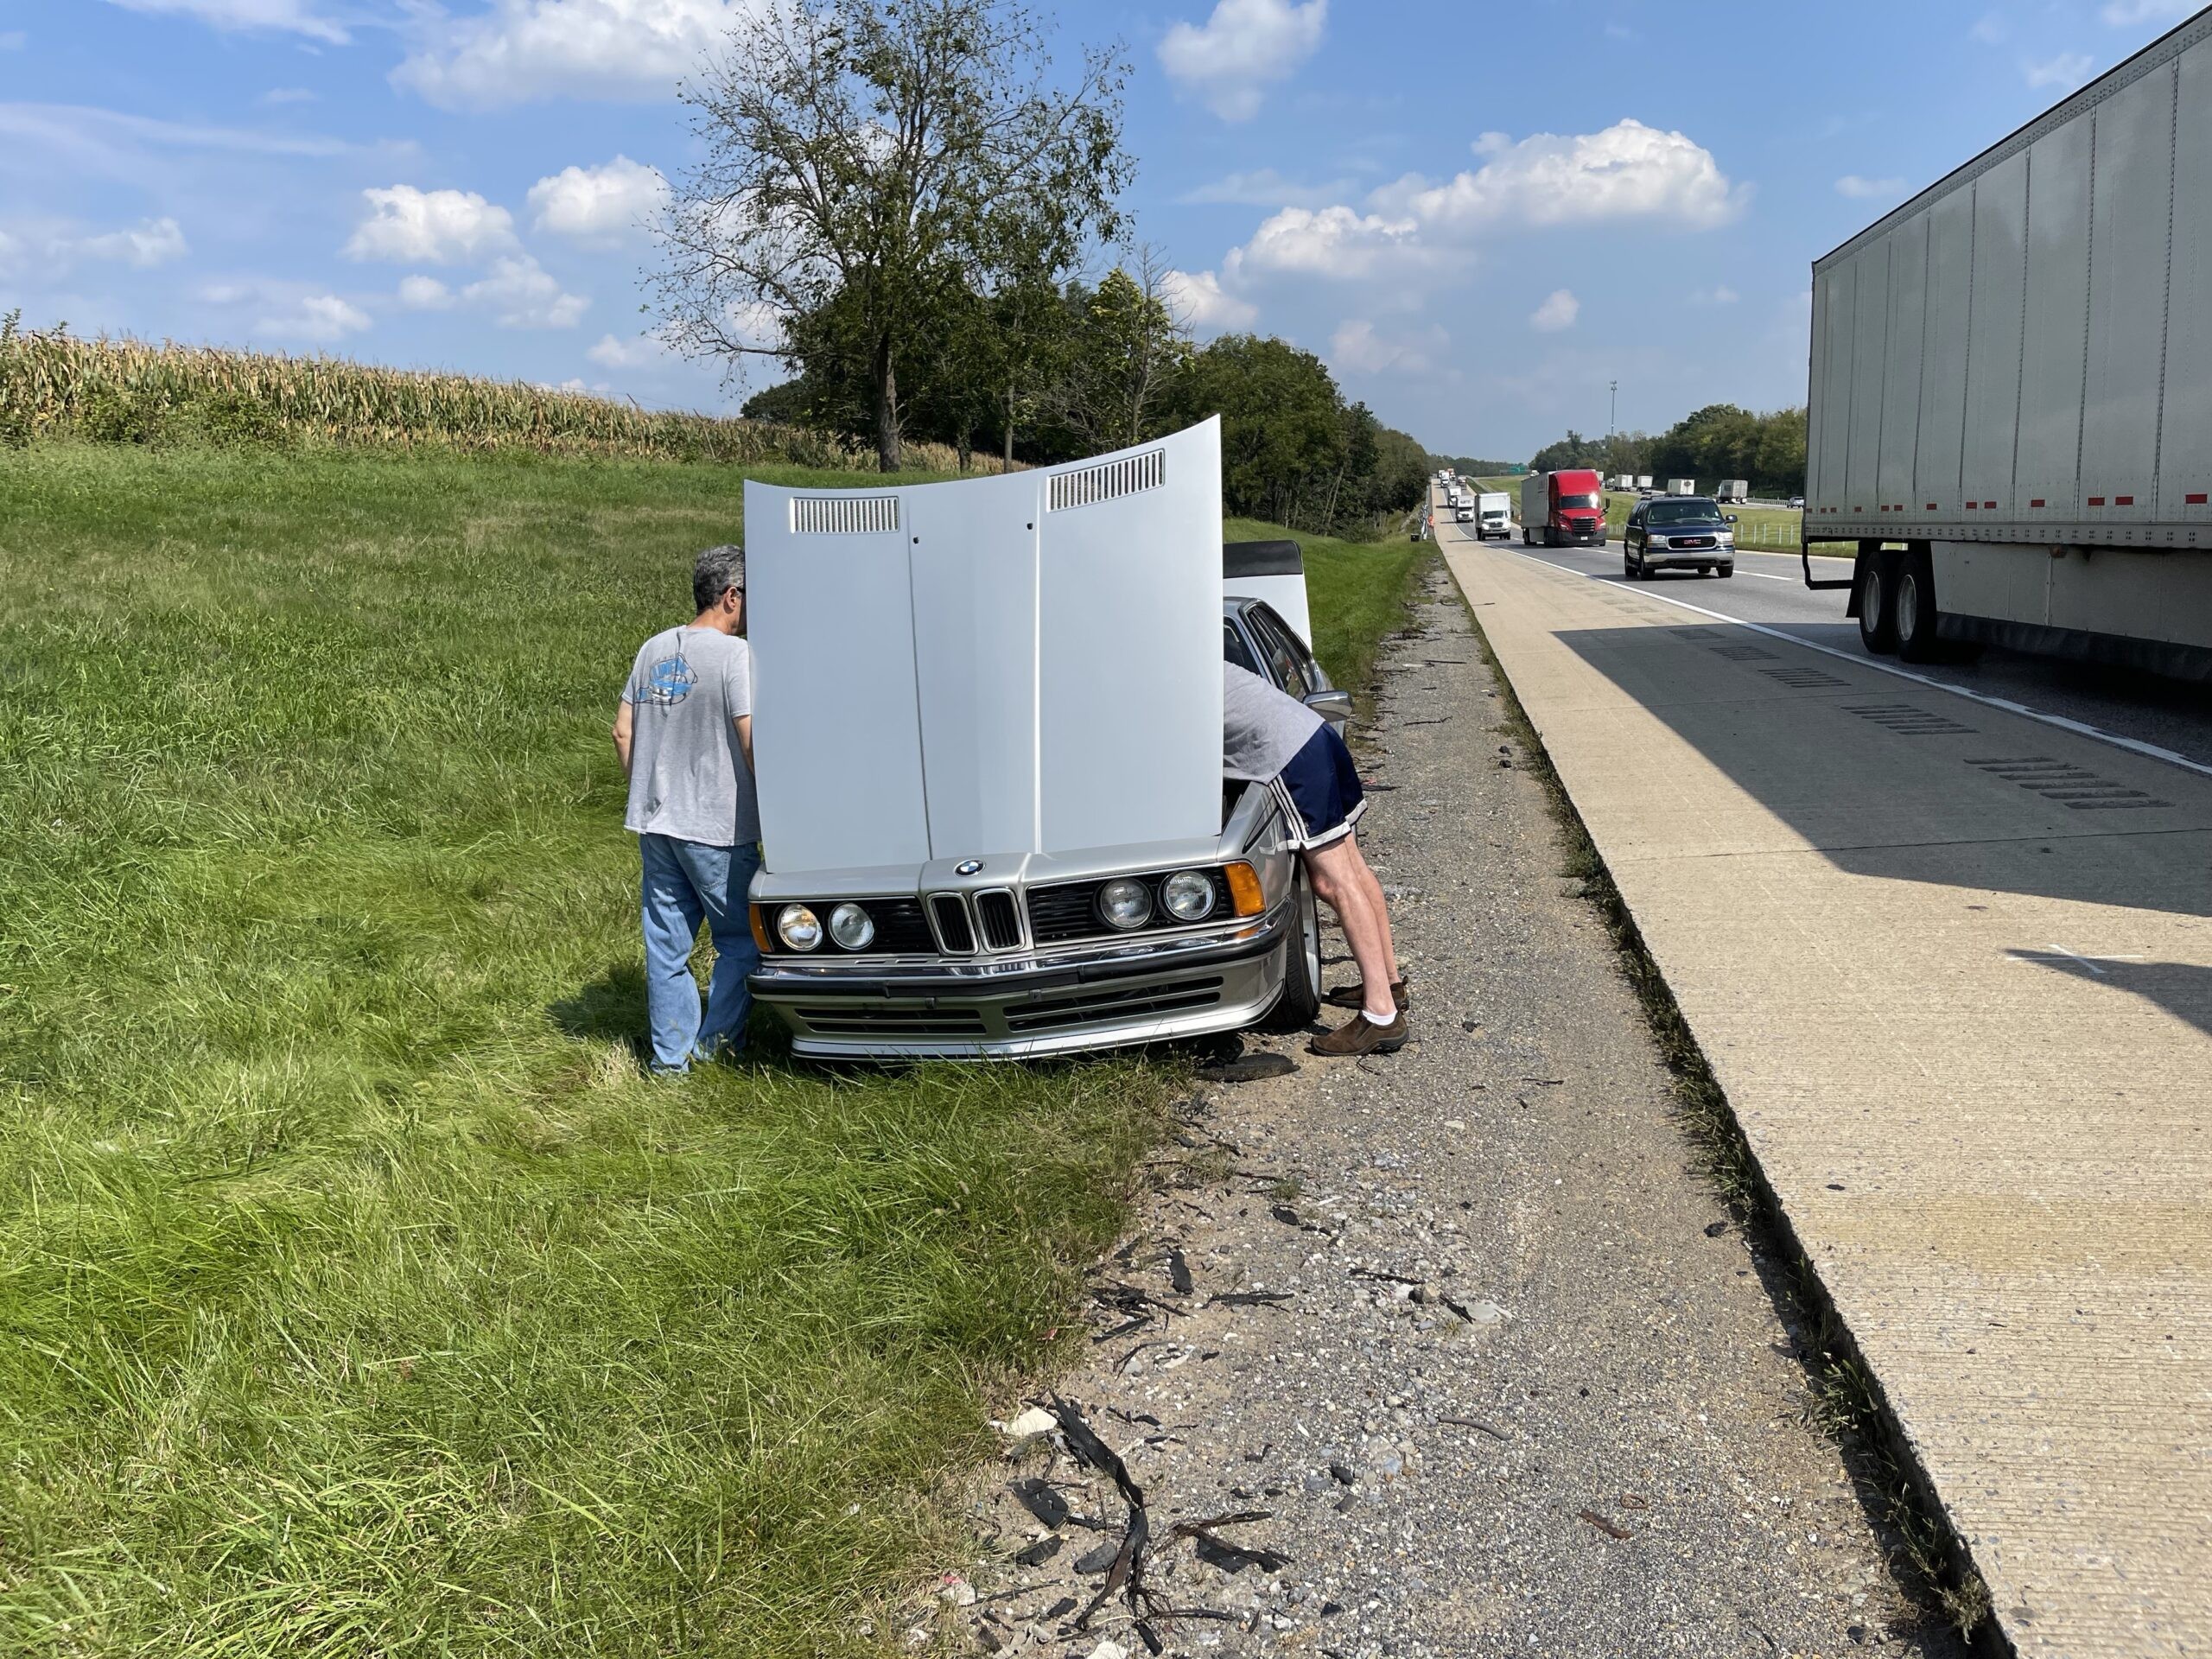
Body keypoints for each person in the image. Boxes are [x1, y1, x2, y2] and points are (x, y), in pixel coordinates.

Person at [612, 544, 760, 1073]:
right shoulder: (736, 657)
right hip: (718, 825)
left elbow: (622, 731)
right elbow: (750, 740)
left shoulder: (652, 650)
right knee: (741, 941)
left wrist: (648, 788)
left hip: (656, 822)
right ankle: (716, 1049)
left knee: (667, 948)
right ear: (731, 597)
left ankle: (670, 1063)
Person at [1224, 663, 1408, 1057]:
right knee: (1353, 870)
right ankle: (1389, 983)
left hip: (1288, 755)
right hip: (1314, 735)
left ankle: (1381, 1014)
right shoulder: (1190, 652)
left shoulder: (1162, 677)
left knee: (1334, 883)